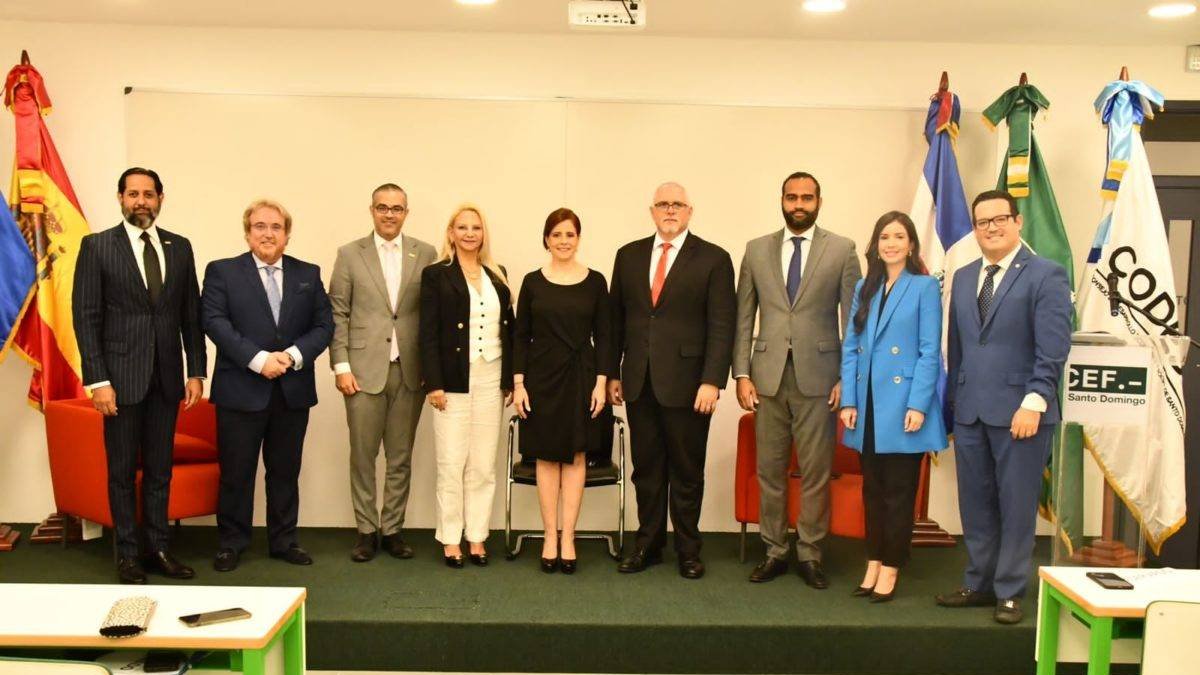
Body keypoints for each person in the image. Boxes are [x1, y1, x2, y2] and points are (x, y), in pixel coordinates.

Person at [936, 189, 1072, 624]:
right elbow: (958, 346)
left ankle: (1010, 591)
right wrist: (956, 402)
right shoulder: (963, 275)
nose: (991, 228)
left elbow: (1053, 349)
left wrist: (1034, 401)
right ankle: (979, 582)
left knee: (1016, 505)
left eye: (999, 219)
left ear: (1018, 223)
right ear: (974, 229)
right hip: (972, 410)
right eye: (982, 222)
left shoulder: (1046, 274)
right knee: (976, 504)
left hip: (1022, 413)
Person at [73, 167, 206, 584]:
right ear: (120, 198)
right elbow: (86, 316)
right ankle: (128, 555)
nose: (141, 202)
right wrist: (98, 381)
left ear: (161, 199)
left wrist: (197, 371)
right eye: (133, 194)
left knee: (160, 470)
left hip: (167, 380)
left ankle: (159, 548)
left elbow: (191, 315)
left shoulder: (179, 247)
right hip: (120, 381)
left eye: (149, 194)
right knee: (122, 472)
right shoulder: (97, 247)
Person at [732, 171, 860, 588]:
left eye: (806, 197)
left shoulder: (842, 250)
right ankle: (774, 551)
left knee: (816, 471)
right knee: (769, 470)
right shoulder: (755, 250)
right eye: (792, 197)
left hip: (820, 378)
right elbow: (743, 318)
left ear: (819, 201)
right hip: (767, 378)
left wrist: (847, 376)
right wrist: (742, 372)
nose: (798, 204)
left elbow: (853, 321)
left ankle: (810, 552)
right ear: (782, 200)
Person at [609, 182, 735, 579]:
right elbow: (615, 322)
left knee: (686, 470)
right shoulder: (627, 256)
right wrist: (613, 372)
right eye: (663, 204)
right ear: (651, 211)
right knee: (645, 469)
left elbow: (722, 324)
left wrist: (712, 380)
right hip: (639, 381)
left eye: (677, 204)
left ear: (690, 211)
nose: (670, 210)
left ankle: (688, 549)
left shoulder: (714, 259)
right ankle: (647, 544)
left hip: (690, 385)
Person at [201, 199, 333, 572]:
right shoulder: (223, 272)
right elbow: (214, 322)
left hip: (291, 392)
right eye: (260, 226)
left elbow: (324, 326)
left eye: (276, 227)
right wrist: (259, 360)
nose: (268, 233)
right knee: (237, 472)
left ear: (287, 235)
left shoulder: (308, 273)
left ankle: (284, 540)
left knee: (285, 471)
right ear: (247, 233)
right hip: (240, 391)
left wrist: (290, 356)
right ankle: (232, 542)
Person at [838, 211, 947, 603]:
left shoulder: (923, 287)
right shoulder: (865, 287)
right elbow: (851, 347)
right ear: (876, 244)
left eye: (899, 236)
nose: (891, 243)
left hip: (904, 407)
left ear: (912, 244)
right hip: (866, 406)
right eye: (885, 236)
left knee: (899, 494)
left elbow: (929, 350)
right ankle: (872, 559)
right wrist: (848, 400)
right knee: (873, 491)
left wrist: (919, 404)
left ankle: (891, 566)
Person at [328, 184, 437, 563]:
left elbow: (430, 315)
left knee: (400, 456)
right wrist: (340, 365)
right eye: (382, 208)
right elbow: (337, 312)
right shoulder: (349, 254)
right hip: (360, 371)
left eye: (397, 208)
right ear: (371, 210)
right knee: (363, 455)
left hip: (410, 372)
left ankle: (392, 529)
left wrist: (431, 367)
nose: (389, 214)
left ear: (407, 212)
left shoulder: (425, 253)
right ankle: (365, 531)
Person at [511, 208, 612, 574]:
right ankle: (549, 536)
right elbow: (520, 335)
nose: (564, 241)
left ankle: (568, 536)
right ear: (546, 240)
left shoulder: (596, 281)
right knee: (545, 457)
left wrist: (602, 382)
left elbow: (606, 337)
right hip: (540, 378)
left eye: (570, 234)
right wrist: (519, 384)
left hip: (582, 378)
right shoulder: (533, 282)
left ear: (578, 238)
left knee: (576, 456)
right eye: (557, 235)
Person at [419, 204, 514, 568]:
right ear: (451, 233)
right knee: (451, 462)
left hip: (491, 377)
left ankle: (477, 536)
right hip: (453, 381)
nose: (470, 233)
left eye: (476, 227)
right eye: (463, 227)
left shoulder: (498, 274)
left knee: (483, 464)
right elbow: (427, 334)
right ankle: (450, 538)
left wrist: (509, 380)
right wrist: (434, 383)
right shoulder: (436, 275)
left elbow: (510, 329)